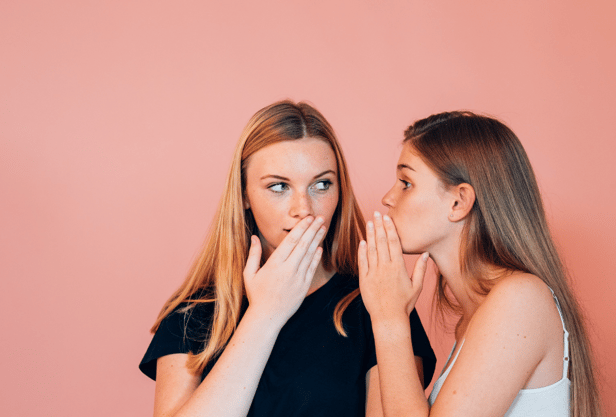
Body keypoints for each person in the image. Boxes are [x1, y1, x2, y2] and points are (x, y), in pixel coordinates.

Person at [139, 100, 436, 417]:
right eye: (279, 186)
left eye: (322, 184)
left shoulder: (376, 303)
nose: (304, 209)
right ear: (244, 195)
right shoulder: (193, 313)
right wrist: (265, 314)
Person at [358, 111, 602, 417]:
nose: (387, 198)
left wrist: (390, 319)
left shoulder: (520, 300)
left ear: (459, 202)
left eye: (406, 183)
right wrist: (384, 313)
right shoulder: (478, 319)